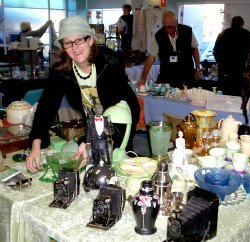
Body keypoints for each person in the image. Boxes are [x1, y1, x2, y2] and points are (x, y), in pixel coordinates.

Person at [26, 16, 140, 173]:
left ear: (90, 40)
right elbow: (47, 106)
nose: (74, 47)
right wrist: (36, 144)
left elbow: (115, 113)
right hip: (93, 126)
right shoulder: (61, 71)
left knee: (116, 167)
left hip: (120, 122)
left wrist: (87, 141)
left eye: (79, 40)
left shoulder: (110, 64)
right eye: (68, 42)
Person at [136, 11, 201, 89]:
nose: (168, 30)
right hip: (167, 76)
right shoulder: (159, 35)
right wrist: (143, 79)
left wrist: (197, 68)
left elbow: (195, 50)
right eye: (165, 26)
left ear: (176, 22)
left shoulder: (187, 31)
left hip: (186, 75)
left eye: (170, 27)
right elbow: (150, 57)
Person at [213, 16, 250, 96]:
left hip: (223, 69)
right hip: (239, 69)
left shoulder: (223, 34)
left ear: (231, 23)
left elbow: (215, 51)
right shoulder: (247, 34)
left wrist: (219, 62)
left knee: (223, 92)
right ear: (242, 24)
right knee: (236, 93)